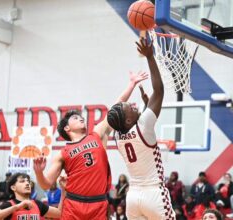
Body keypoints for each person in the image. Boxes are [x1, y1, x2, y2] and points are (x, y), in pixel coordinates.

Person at [33, 71, 148, 219]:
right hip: (73, 204)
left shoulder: (96, 135)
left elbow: (114, 109)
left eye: (81, 117)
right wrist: (38, 172)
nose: (81, 118)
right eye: (75, 118)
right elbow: (46, 184)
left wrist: (131, 84)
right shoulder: (63, 153)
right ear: (67, 128)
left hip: (98, 204)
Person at [107, 38, 175, 220]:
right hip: (154, 194)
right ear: (128, 119)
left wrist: (145, 108)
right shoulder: (143, 124)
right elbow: (159, 91)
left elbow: (118, 116)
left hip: (133, 197)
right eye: (130, 107)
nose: (133, 104)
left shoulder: (117, 135)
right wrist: (150, 56)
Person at [0, 172, 65, 220]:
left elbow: (59, 213)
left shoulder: (37, 204)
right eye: (22, 181)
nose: (27, 183)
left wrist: (64, 189)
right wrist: (17, 207)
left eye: (28, 181)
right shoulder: (8, 205)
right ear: (13, 187)